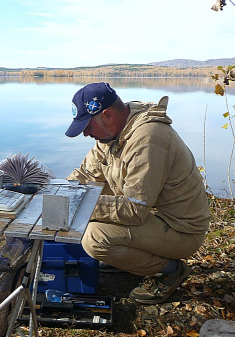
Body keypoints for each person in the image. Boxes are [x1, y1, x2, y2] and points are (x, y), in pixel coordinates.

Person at [65, 82, 210, 304]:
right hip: (154, 218)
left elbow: (134, 210)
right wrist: (60, 194)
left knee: (95, 237)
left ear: (107, 116)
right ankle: (127, 257)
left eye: (87, 125)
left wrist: (78, 205)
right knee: (83, 196)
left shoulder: (148, 139)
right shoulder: (111, 136)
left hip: (181, 229)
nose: (85, 133)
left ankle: (170, 271)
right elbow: (86, 175)